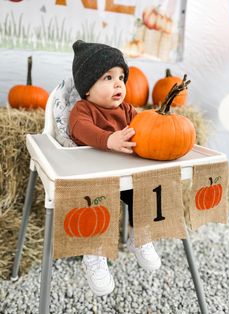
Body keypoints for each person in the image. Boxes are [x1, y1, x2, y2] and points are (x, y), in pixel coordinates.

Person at [69, 40, 161, 297]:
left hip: (124, 174)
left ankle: (139, 236)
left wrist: (160, 126)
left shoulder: (128, 110)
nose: (119, 83)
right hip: (93, 177)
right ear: (87, 88)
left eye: (121, 77)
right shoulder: (83, 110)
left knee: (146, 192)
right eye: (108, 77)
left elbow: (146, 127)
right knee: (99, 206)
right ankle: (94, 254)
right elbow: (80, 130)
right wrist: (108, 139)